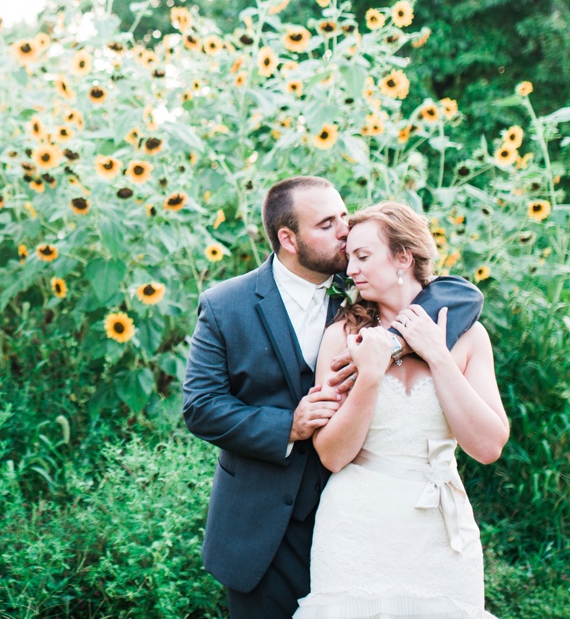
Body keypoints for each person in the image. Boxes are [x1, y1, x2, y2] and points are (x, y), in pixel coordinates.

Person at [183, 177, 484, 619]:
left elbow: (459, 293)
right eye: (327, 224)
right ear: (288, 238)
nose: (344, 231)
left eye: (344, 216)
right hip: (263, 521)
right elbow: (201, 406)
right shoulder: (227, 305)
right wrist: (289, 425)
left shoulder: (361, 284)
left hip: (355, 513)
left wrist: (393, 343)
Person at [294, 202, 508, 618]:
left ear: (403, 258)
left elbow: (487, 446)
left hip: (441, 535)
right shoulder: (342, 337)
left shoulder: (468, 336)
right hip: (357, 527)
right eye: (348, 257)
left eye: (363, 256)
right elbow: (333, 456)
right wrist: (370, 376)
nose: (350, 269)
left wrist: (438, 356)